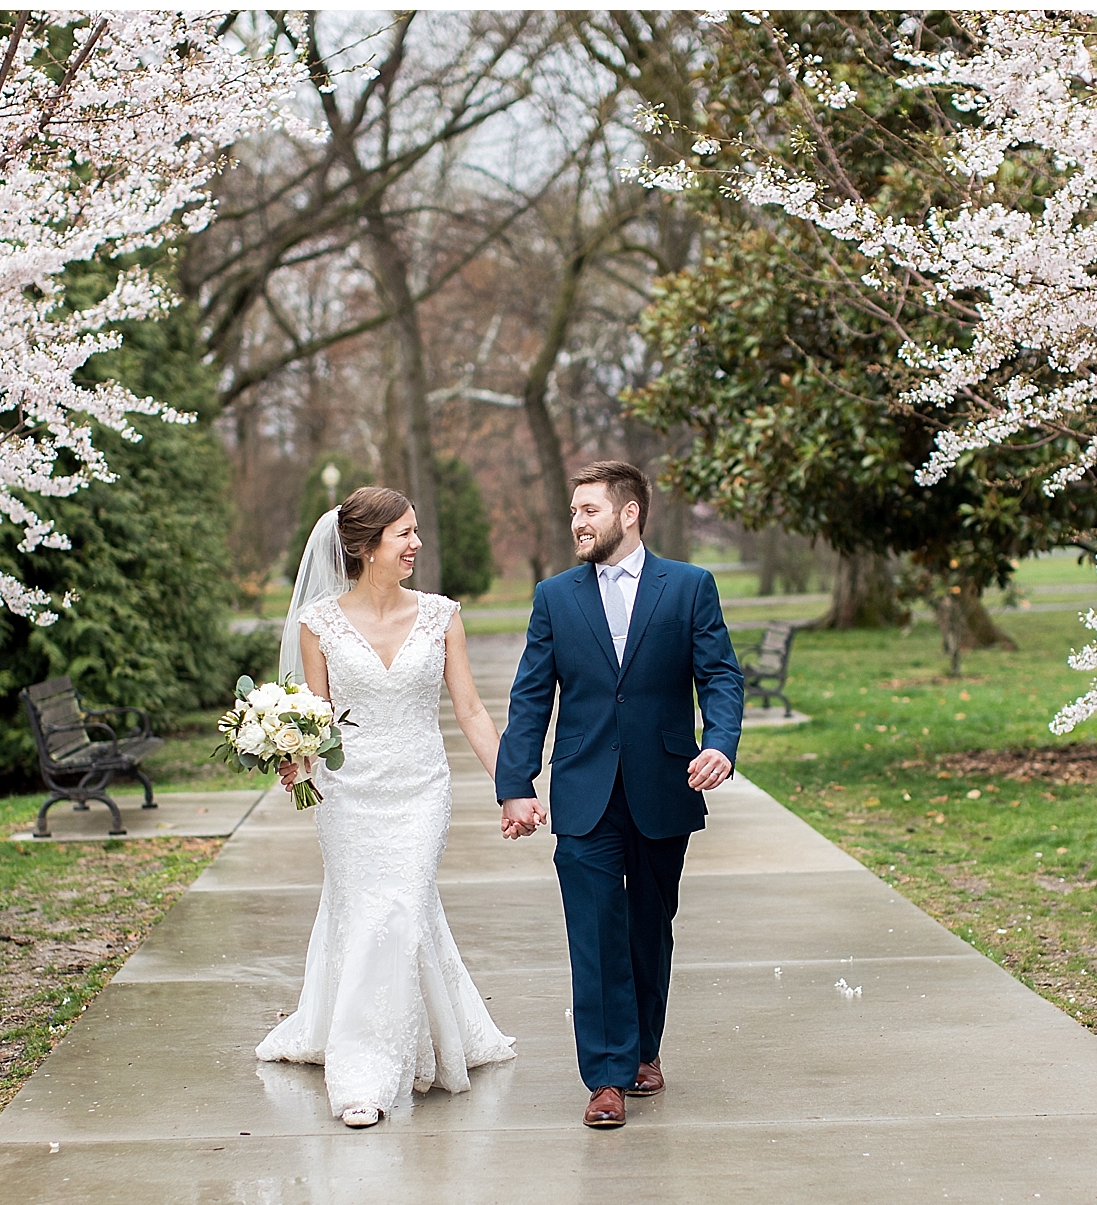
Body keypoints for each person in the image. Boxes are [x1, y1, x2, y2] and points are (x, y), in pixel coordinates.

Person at [496, 461, 746, 1129]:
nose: (577, 522)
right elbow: (530, 696)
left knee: (648, 929)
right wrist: (516, 784)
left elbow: (720, 676)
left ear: (628, 513)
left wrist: (720, 742)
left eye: (589, 510)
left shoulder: (690, 587)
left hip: (664, 784)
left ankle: (644, 1051)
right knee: (594, 932)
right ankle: (606, 1076)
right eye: (574, 511)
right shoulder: (555, 596)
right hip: (582, 789)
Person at [256, 486, 515, 1129]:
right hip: (348, 798)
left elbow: (472, 710)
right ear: (367, 546)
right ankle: (364, 1070)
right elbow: (314, 721)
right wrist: (294, 759)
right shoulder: (318, 624)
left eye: (416, 531)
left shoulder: (440, 615)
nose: (416, 545)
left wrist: (512, 785)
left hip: (422, 789)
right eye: (405, 534)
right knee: (378, 915)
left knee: (398, 909)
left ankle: (374, 1058)